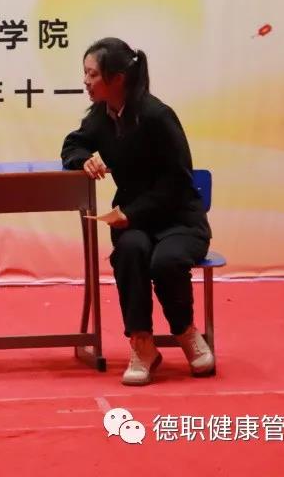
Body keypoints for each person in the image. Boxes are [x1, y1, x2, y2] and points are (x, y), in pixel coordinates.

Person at [61, 37, 214, 386]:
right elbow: (74, 143)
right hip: (135, 224)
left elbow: (177, 182)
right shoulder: (102, 116)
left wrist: (132, 213)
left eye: (92, 74)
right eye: (85, 74)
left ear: (117, 78)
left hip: (180, 220)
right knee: (130, 250)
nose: (86, 81)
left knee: (166, 261)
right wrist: (83, 160)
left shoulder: (157, 116)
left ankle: (186, 332)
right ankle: (142, 344)